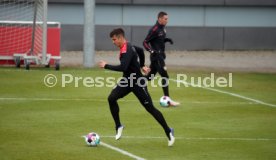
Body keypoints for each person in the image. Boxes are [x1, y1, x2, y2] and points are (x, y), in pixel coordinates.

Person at [98, 28, 175, 146]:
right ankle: (118, 126)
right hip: (127, 81)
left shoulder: (126, 50)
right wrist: (142, 65)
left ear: (120, 38)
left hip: (138, 83)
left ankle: (168, 131)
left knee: (150, 109)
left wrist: (106, 66)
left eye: (114, 39)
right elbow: (140, 50)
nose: (113, 42)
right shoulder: (128, 45)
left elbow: (123, 67)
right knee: (111, 98)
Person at [143, 11, 180, 106]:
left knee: (150, 77)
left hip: (160, 56)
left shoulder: (162, 28)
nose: (167, 21)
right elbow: (145, 42)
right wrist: (151, 51)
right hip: (157, 57)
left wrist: (167, 40)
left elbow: (158, 40)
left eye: (167, 19)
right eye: (165, 19)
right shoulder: (154, 29)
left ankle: (134, 81)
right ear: (160, 19)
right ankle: (167, 99)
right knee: (165, 76)